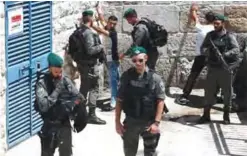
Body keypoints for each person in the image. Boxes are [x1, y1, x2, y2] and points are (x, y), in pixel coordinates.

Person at [115, 46, 166, 156]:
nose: (137, 63)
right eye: (134, 61)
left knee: (150, 153)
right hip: (131, 122)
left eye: (140, 60)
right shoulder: (126, 77)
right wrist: (117, 122)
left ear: (146, 58)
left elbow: (160, 101)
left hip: (149, 123)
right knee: (129, 152)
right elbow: (119, 100)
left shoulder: (155, 78)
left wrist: (156, 123)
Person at [35, 53, 85, 156]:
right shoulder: (42, 83)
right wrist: (57, 91)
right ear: (49, 68)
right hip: (50, 124)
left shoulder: (64, 80)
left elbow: (78, 96)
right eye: (56, 71)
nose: (59, 74)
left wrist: (73, 105)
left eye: (60, 71)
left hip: (64, 123)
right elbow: (44, 106)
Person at [198, 14, 240, 124]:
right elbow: (203, 48)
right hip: (212, 68)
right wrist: (207, 51)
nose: (215, 25)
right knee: (209, 93)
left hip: (225, 69)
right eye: (214, 23)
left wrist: (225, 54)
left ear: (223, 23)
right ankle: (206, 115)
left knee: (227, 93)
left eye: (218, 24)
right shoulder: (210, 36)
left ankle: (226, 115)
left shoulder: (229, 36)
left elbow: (236, 50)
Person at [175, 4, 215, 105]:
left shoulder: (201, 28)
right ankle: (214, 96)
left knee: (193, 75)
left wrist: (193, 9)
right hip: (212, 56)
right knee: (214, 76)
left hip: (200, 56)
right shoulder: (215, 30)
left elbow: (194, 18)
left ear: (205, 19)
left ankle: (185, 95)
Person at [77, 10, 106, 124]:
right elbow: (90, 50)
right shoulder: (88, 33)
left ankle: (80, 113)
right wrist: (100, 46)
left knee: (83, 88)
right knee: (93, 88)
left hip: (82, 65)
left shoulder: (78, 30)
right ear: (91, 19)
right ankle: (91, 115)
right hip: (90, 66)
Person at [91, 4, 119, 110]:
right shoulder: (106, 25)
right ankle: (118, 97)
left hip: (113, 59)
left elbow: (101, 30)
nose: (112, 25)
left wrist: (89, 23)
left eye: (114, 24)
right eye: (110, 23)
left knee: (113, 80)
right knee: (116, 78)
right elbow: (102, 20)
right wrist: (99, 11)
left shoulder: (112, 33)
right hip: (108, 58)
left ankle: (114, 101)